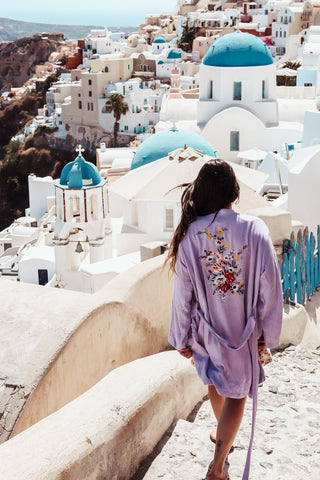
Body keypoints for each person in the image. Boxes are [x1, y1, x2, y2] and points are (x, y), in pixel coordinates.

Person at [167, 159, 283, 480]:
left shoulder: (191, 235)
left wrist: (181, 337)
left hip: (206, 330)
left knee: (218, 382)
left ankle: (222, 438)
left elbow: (182, 293)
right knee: (235, 392)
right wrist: (267, 332)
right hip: (242, 332)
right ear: (234, 191)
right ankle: (218, 468)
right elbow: (270, 285)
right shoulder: (255, 228)